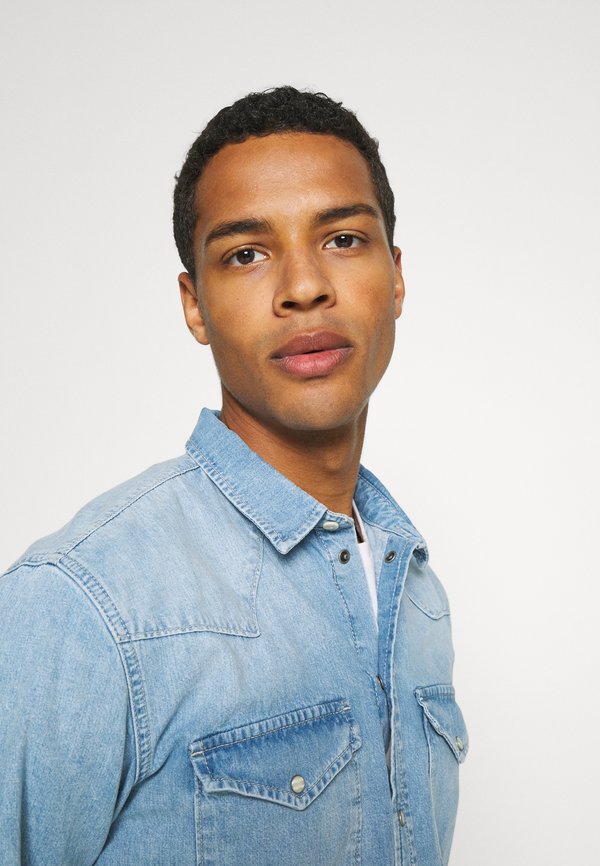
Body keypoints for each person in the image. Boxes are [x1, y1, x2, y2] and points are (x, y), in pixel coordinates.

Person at [0, 86, 467, 866]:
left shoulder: (412, 587)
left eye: (343, 239)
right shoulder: (83, 604)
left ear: (395, 276)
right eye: (246, 253)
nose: (304, 286)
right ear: (195, 305)